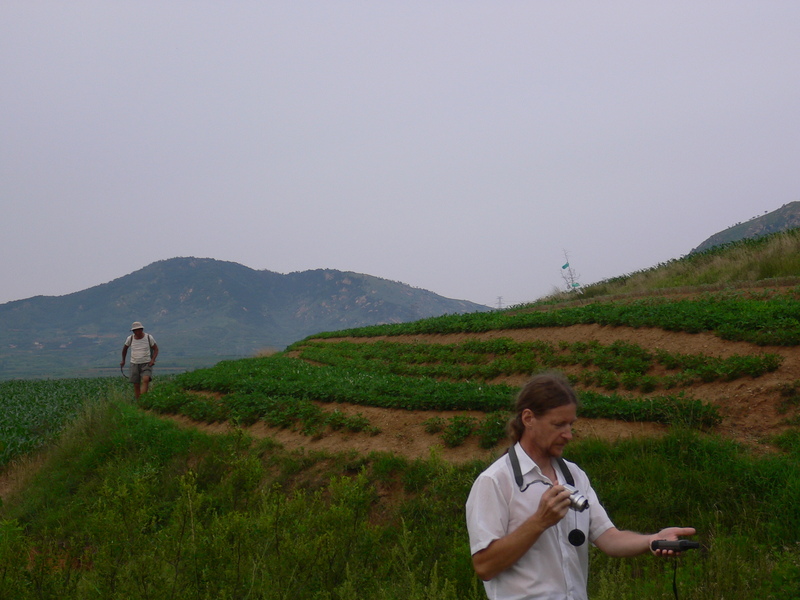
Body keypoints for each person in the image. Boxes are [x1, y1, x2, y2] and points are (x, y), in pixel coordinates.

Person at [465, 372, 696, 600]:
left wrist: (652, 540)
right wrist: (540, 521)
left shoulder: (574, 475)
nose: (568, 435)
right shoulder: (495, 481)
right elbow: (485, 566)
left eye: (571, 424)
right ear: (528, 419)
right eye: (558, 425)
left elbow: (609, 539)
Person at [120, 321, 159, 400]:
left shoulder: (148, 337)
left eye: (138, 330)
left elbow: (156, 349)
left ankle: (143, 399)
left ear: (142, 329)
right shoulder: (130, 338)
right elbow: (125, 349)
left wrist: (152, 360)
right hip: (134, 363)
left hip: (146, 363)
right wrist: (123, 360)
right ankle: (139, 402)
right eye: (135, 330)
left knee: (146, 379)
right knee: (136, 384)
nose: (137, 332)